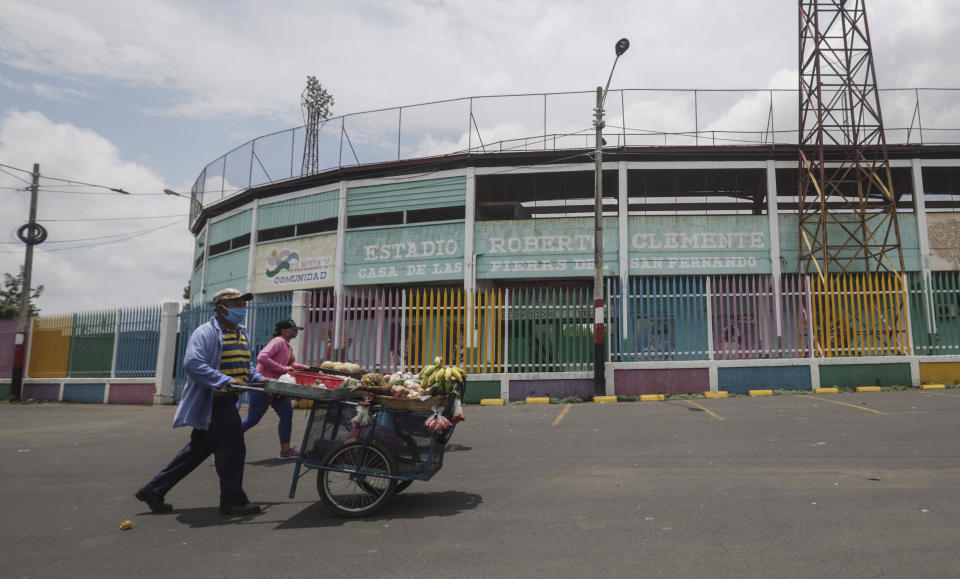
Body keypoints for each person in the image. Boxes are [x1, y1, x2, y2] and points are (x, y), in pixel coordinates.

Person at [135, 288, 264, 516]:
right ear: (222, 307)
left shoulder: (241, 332)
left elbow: (246, 366)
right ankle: (233, 501)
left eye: (243, 303)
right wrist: (225, 380)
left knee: (198, 449)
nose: (242, 307)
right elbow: (192, 363)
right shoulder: (206, 332)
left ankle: (154, 490)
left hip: (227, 400)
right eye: (237, 303)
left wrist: (261, 380)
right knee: (233, 450)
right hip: (216, 402)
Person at [241, 318, 305, 458]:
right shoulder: (278, 341)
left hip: (277, 386)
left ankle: (286, 450)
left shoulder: (287, 345)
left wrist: (304, 368)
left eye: (296, 330)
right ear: (283, 331)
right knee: (252, 419)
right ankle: (221, 443)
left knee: (287, 415)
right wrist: (282, 368)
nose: (295, 332)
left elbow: (289, 365)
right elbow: (262, 357)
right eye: (292, 330)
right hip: (263, 384)